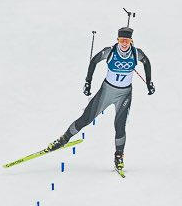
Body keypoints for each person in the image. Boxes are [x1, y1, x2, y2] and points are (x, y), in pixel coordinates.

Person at [44, 26, 155, 174]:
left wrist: (149, 82)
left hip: (124, 94)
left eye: (127, 40)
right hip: (106, 92)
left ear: (131, 41)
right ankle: (63, 139)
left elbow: (146, 62)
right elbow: (94, 61)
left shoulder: (136, 53)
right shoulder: (110, 51)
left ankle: (119, 156)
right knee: (86, 119)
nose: (124, 43)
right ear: (117, 40)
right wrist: (88, 82)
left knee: (120, 126)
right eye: (121, 40)